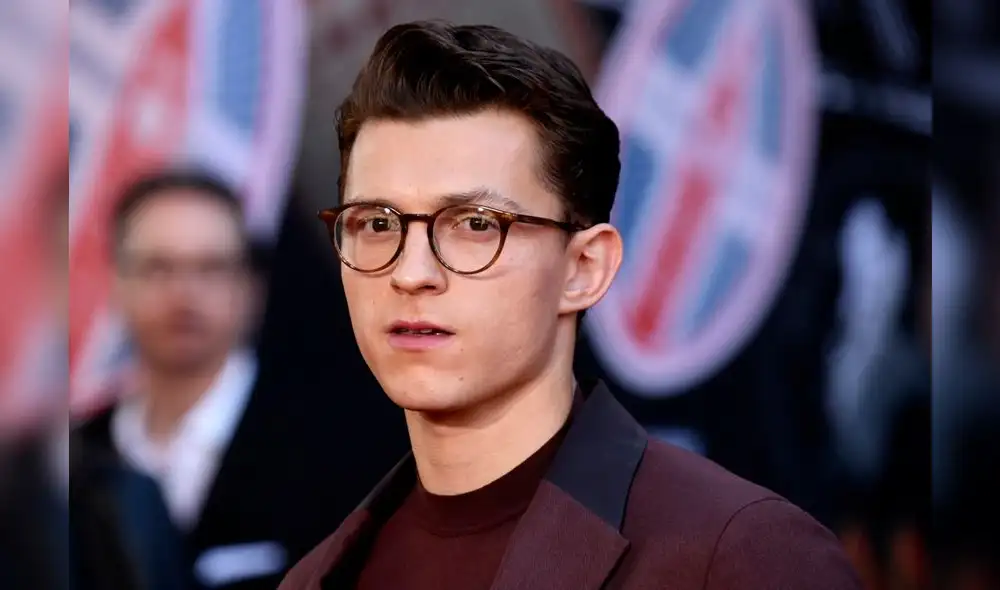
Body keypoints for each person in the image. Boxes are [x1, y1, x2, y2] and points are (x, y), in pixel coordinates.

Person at [280, 21, 861, 590]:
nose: (411, 272)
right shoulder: (322, 574)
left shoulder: (742, 554)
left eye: (477, 225)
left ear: (584, 269)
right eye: (377, 223)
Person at [76, 171, 382, 590]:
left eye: (211, 267)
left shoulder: (340, 447)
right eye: (157, 267)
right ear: (116, 283)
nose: (184, 294)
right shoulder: (77, 458)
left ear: (250, 288)